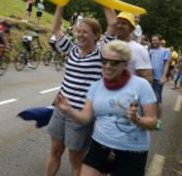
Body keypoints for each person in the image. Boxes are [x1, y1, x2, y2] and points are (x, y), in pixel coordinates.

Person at [55, 40, 157, 176]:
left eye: (114, 62)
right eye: (104, 61)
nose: (108, 66)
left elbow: (153, 122)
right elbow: (85, 118)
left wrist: (136, 119)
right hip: (100, 145)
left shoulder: (141, 85)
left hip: (132, 150)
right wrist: (69, 109)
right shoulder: (95, 86)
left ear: (125, 64)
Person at [45, 6, 116, 176]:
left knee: (75, 160)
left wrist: (104, 1)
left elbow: (112, 24)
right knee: (55, 150)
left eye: (85, 32)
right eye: (79, 31)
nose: (80, 35)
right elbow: (55, 28)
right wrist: (61, 3)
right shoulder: (72, 49)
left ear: (95, 35)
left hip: (80, 114)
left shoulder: (101, 53)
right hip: (60, 109)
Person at [115, 12, 153, 83]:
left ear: (132, 28)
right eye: (118, 23)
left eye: (123, 23)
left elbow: (147, 80)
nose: (119, 26)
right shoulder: (110, 46)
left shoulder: (139, 49)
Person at [149, 34, 171, 126]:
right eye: (152, 40)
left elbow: (166, 64)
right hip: (149, 78)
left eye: (155, 40)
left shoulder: (166, 50)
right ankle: (150, 117)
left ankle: (158, 120)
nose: (153, 42)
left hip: (159, 78)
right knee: (150, 98)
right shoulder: (150, 51)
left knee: (157, 100)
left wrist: (163, 76)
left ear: (160, 41)